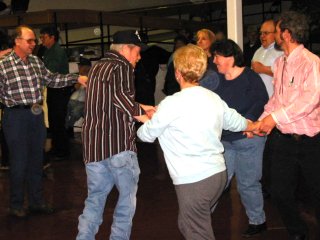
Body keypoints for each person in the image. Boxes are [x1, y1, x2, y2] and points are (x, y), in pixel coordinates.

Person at [136, 44, 258, 240]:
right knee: (190, 224)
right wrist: (252, 125)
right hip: (217, 176)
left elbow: (145, 135)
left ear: (177, 73)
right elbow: (237, 122)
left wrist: (150, 121)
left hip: (194, 181)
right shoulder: (213, 98)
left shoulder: (171, 104)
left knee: (197, 232)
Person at [0, 25, 87, 218]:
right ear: (17, 41)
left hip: (35, 115)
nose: (34, 43)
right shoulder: (3, 65)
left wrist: (77, 77)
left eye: (34, 40)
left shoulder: (36, 62)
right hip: (15, 117)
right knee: (19, 161)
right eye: (30, 40)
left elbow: (52, 79)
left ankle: (36, 202)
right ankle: (16, 205)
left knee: (36, 160)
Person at [76, 30, 154, 240]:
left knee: (95, 199)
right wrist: (149, 120)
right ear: (126, 48)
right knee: (126, 202)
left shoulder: (97, 68)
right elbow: (121, 99)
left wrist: (142, 107)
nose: (138, 57)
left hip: (94, 149)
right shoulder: (122, 66)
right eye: (137, 52)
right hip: (119, 147)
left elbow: (109, 101)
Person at [257, 11, 320, 240]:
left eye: (276, 31)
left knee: (316, 193)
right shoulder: (279, 63)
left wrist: (273, 119)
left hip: (312, 142)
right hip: (284, 141)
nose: (273, 35)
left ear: (286, 33)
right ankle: (297, 232)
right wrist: (261, 121)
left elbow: (309, 100)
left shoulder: (312, 63)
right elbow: (277, 99)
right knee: (280, 192)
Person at [212, 39, 269, 237]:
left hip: (248, 139)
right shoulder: (215, 80)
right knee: (219, 181)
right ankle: (202, 219)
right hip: (224, 141)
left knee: (248, 183)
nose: (215, 60)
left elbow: (261, 100)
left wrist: (249, 120)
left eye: (217, 56)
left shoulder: (250, 77)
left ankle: (257, 221)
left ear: (230, 57)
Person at [40, 26, 73, 160]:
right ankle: (56, 148)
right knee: (54, 121)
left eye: (44, 37)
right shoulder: (48, 51)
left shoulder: (57, 52)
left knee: (58, 121)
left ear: (52, 37)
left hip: (59, 90)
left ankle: (62, 152)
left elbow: (51, 71)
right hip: (53, 89)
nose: (41, 40)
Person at [252, 19, 283, 98]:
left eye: (266, 33)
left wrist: (263, 69)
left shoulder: (281, 51)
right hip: (257, 100)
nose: (262, 36)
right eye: (261, 33)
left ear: (276, 33)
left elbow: (286, 72)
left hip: (275, 100)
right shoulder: (258, 51)